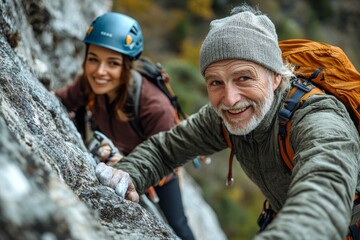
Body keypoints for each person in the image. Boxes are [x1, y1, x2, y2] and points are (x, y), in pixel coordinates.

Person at [94, 3, 360, 240]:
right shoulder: (225, 115)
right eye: (216, 83)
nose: (230, 99)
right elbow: (167, 150)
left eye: (244, 77)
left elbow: (324, 193)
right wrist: (128, 173)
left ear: (276, 77)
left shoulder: (318, 118)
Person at [55, 12, 195, 240]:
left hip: (157, 166)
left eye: (113, 63)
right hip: (118, 155)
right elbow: (62, 100)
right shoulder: (88, 84)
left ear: (126, 66)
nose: (99, 71)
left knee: (177, 224)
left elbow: (167, 160)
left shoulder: (154, 107)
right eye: (93, 59)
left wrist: (126, 166)